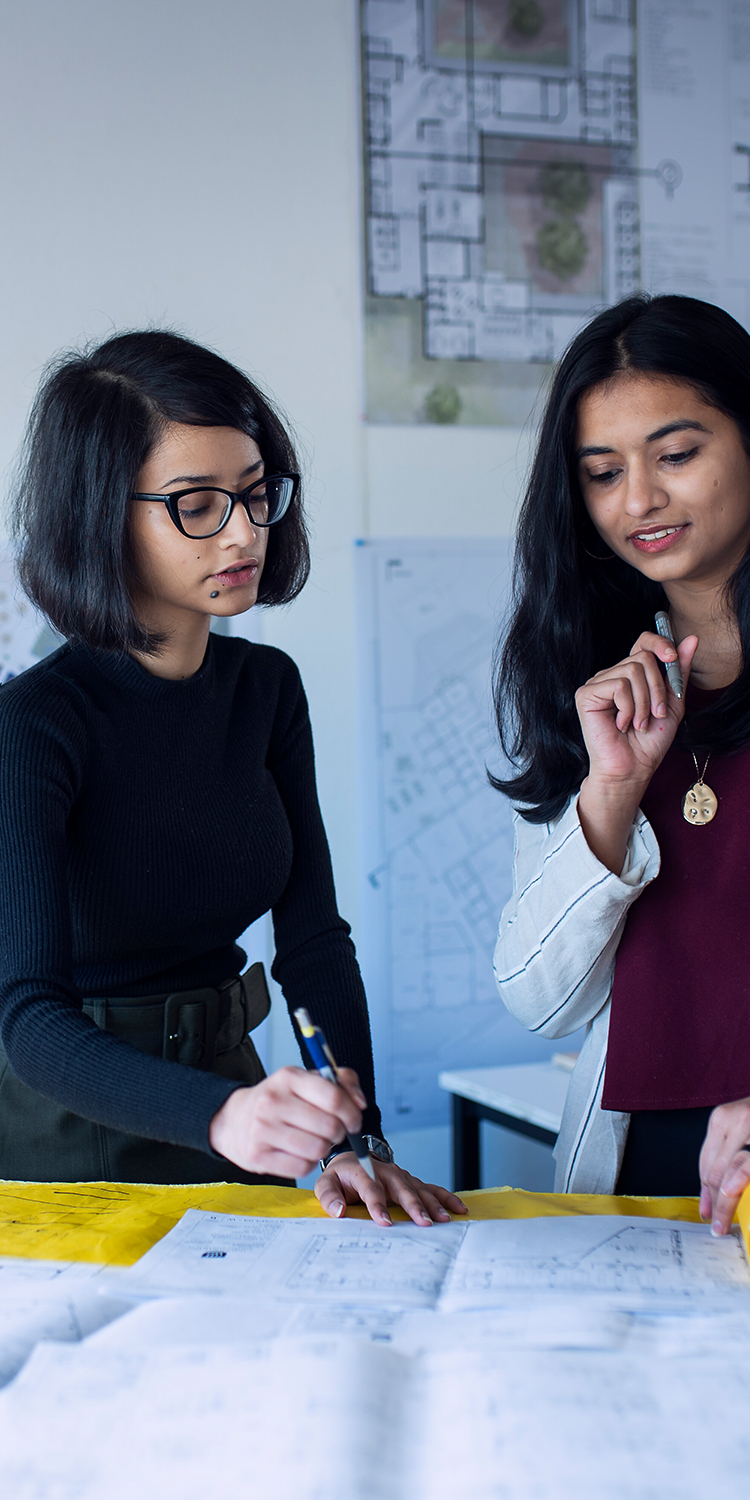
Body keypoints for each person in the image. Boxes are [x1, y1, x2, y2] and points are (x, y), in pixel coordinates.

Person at [0, 329, 464, 1229]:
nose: (245, 533)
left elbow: (315, 944)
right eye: (198, 505)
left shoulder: (267, 690)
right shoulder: (34, 724)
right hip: (75, 1136)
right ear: (101, 512)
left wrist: (351, 1137)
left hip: (239, 1106)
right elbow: (28, 1018)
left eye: (255, 497)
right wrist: (219, 1116)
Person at [492, 293, 750, 1235]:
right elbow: (538, 1000)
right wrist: (612, 788)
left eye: (677, 455)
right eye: (602, 473)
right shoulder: (594, 690)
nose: (637, 501)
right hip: (632, 1176)